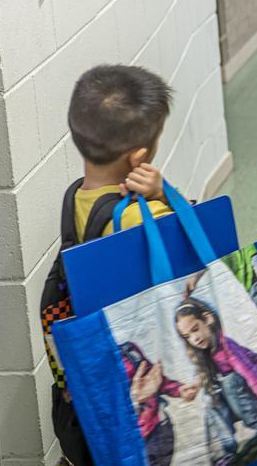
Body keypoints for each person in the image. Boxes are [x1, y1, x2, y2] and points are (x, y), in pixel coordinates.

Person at [41, 64, 179, 465]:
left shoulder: (76, 197)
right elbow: (194, 256)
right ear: (140, 155)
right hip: (145, 373)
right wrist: (165, 194)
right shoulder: (141, 217)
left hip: (101, 374)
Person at [176, 297, 257, 462]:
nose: (195, 338)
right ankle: (225, 451)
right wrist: (194, 387)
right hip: (236, 396)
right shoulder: (204, 354)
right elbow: (202, 375)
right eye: (188, 336)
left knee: (229, 381)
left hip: (255, 390)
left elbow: (253, 376)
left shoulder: (227, 347)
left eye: (195, 329)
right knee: (209, 395)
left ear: (207, 319)